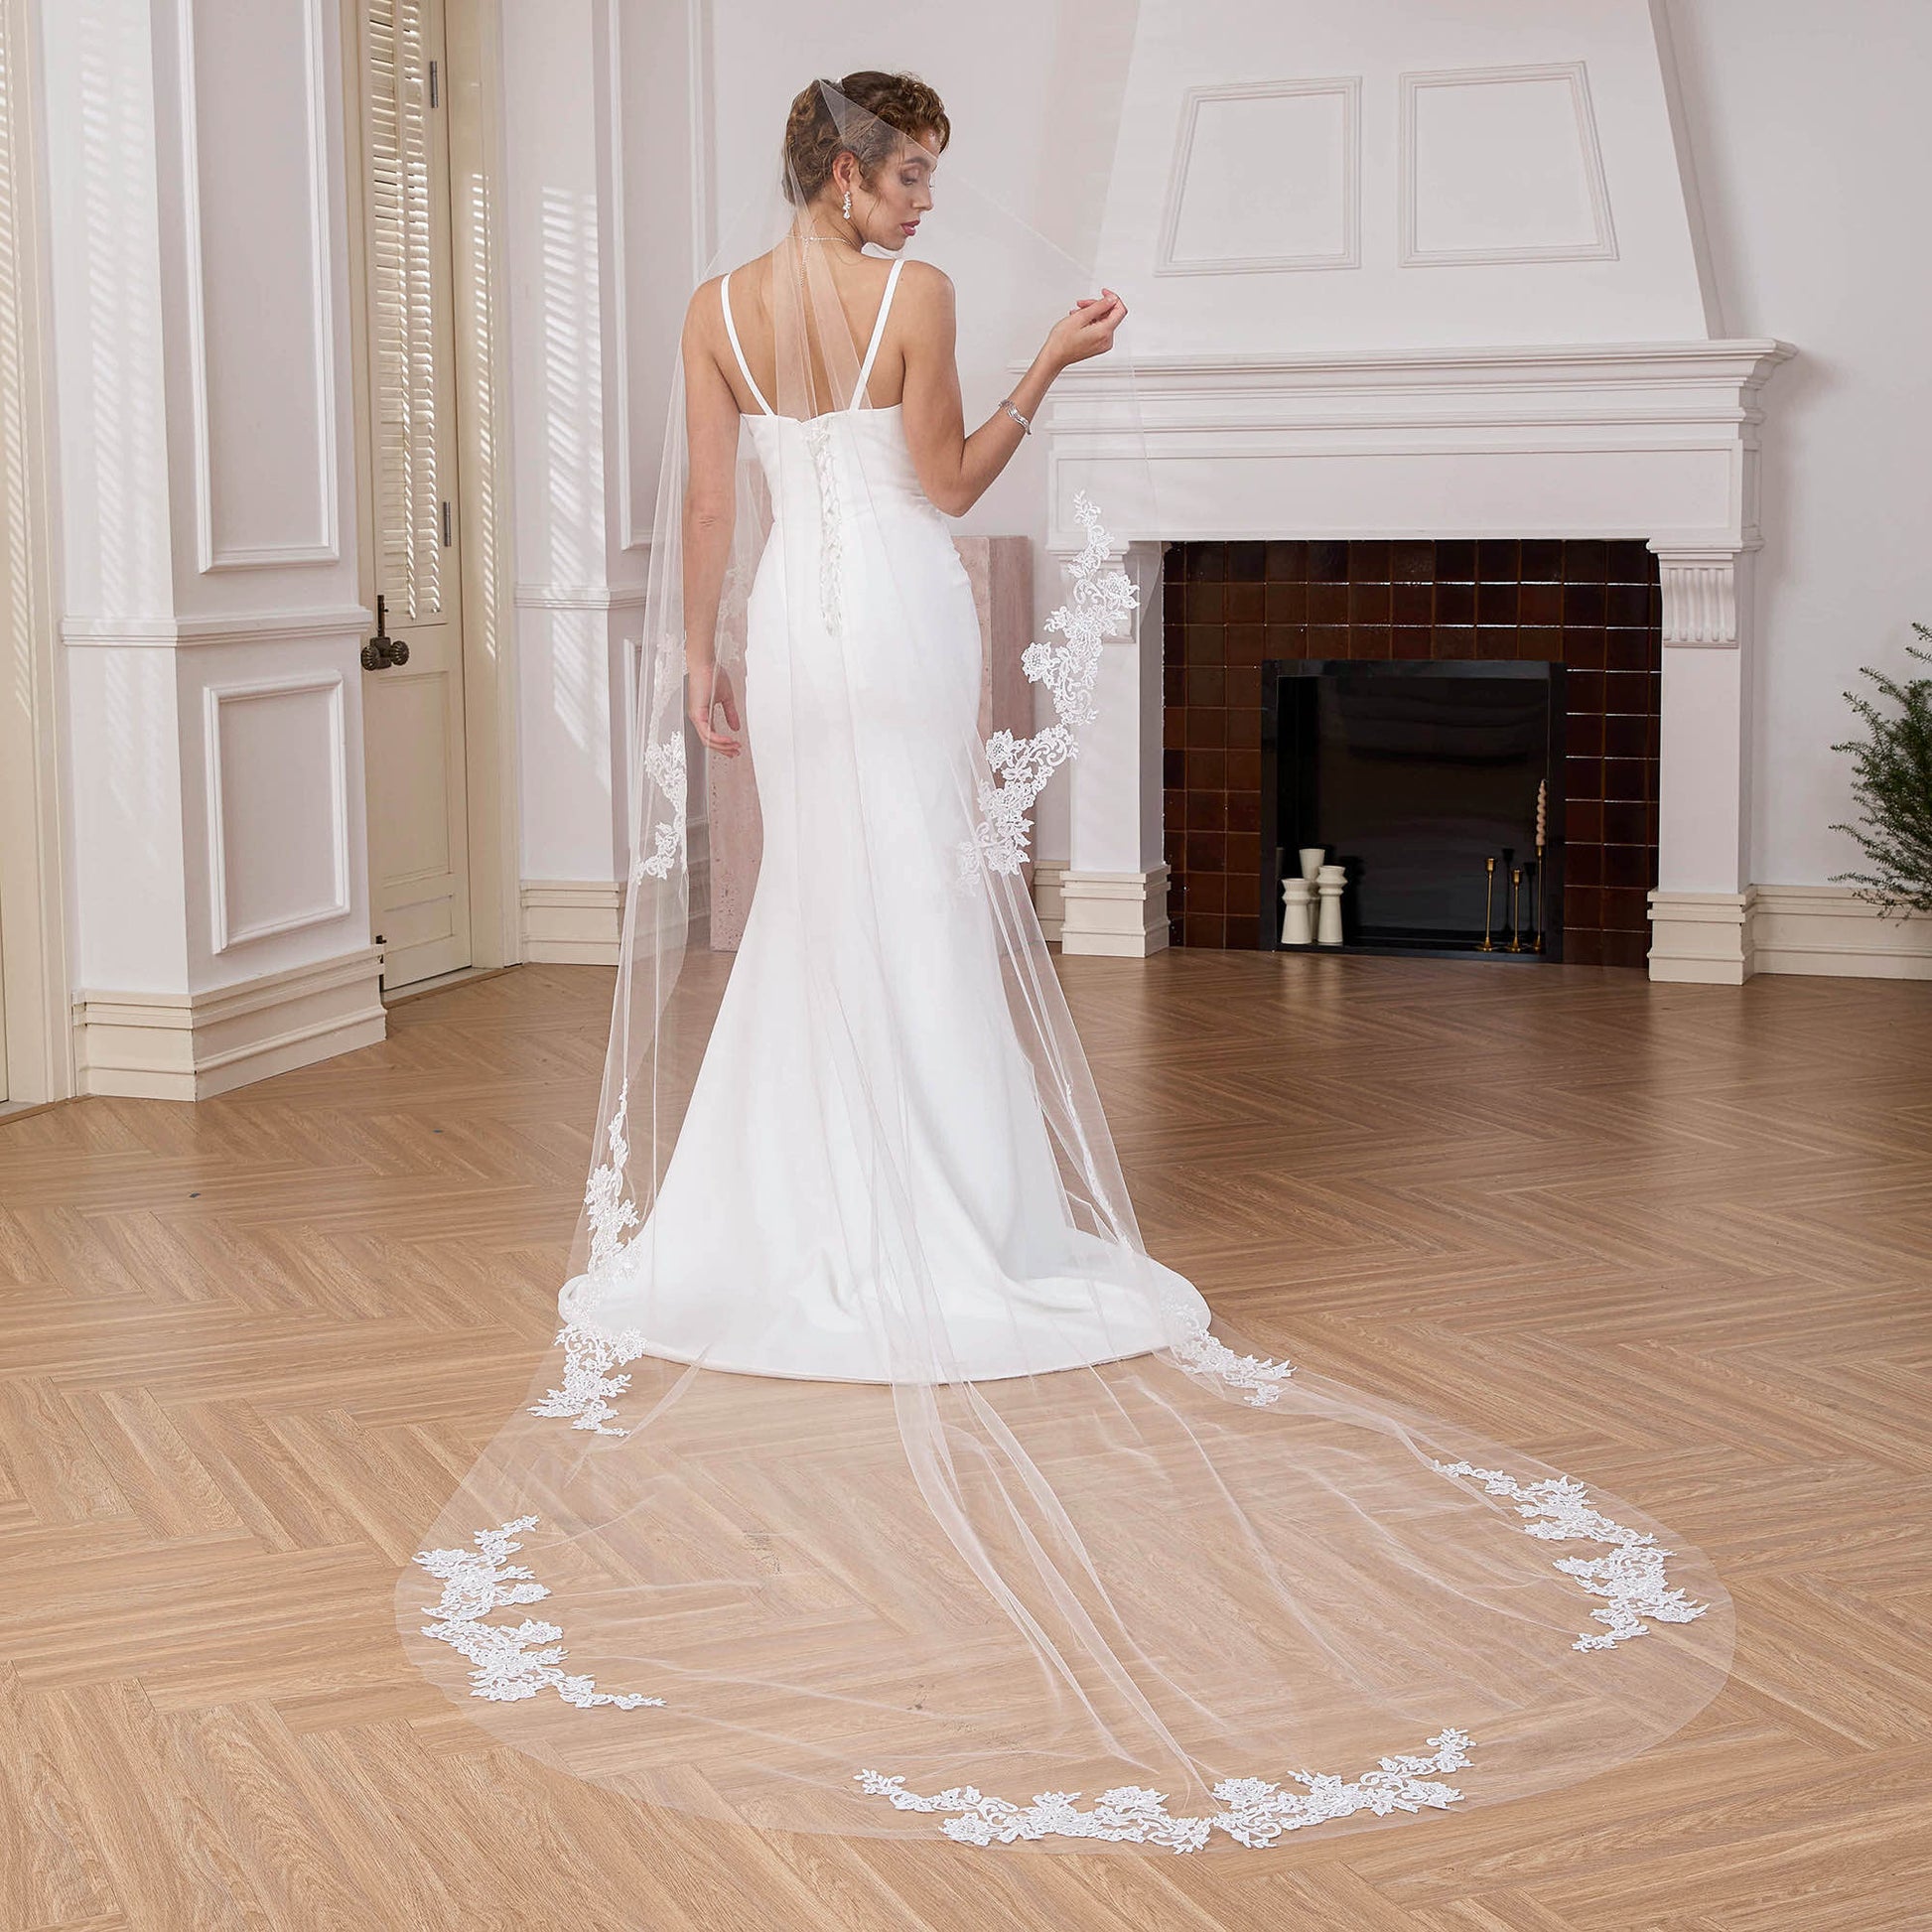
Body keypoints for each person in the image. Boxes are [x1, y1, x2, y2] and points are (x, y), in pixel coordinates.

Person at [398, 71, 1734, 1854]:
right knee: (923, 902)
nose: (930, 207)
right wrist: (1050, 370)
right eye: (913, 178)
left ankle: (782, 1218)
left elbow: (711, 519)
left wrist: (701, 663)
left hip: (793, 628)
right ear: (845, 171)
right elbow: (940, 485)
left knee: (816, 904)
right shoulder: (916, 304)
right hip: (894, 606)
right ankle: (949, 1222)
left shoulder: (717, 308)